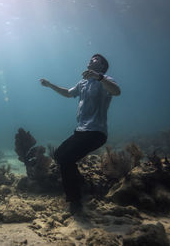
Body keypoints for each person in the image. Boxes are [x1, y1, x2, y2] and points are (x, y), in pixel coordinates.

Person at [40, 54, 120, 213]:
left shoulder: (106, 80)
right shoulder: (83, 82)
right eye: (91, 58)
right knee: (59, 155)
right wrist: (50, 85)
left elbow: (116, 91)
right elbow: (68, 93)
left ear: (103, 66)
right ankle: (81, 185)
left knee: (67, 159)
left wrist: (99, 78)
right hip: (81, 130)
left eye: (96, 59)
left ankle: (75, 202)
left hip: (96, 132)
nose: (91, 59)